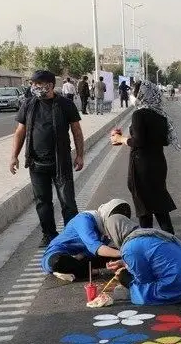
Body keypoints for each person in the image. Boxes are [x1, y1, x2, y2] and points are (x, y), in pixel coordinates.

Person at [10, 70, 84, 246]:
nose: (34, 87)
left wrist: (80, 155)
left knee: (67, 201)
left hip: (61, 162)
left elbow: (77, 131)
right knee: (42, 202)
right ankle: (49, 234)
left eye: (38, 84)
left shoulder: (65, 104)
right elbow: (20, 132)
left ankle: (72, 235)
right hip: (36, 163)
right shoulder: (28, 104)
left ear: (49, 85)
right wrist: (14, 156)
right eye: (33, 84)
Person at [110, 80, 178, 234]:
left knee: (143, 206)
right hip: (158, 163)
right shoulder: (160, 115)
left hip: (142, 166)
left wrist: (120, 139)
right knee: (159, 203)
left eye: (135, 92)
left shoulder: (139, 114)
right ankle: (171, 239)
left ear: (142, 94)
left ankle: (146, 241)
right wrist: (130, 138)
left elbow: (138, 142)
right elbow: (164, 141)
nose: (133, 95)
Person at [104, 214, 181, 305]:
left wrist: (124, 277)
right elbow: (156, 257)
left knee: (139, 292)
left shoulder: (129, 247)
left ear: (114, 232)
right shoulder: (148, 233)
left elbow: (144, 280)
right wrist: (125, 262)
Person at [41, 198, 129, 282]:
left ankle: (76, 272)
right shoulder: (84, 219)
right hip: (57, 255)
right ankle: (90, 272)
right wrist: (124, 253)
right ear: (106, 214)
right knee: (58, 261)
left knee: (121, 256)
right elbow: (96, 247)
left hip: (82, 257)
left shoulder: (104, 229)